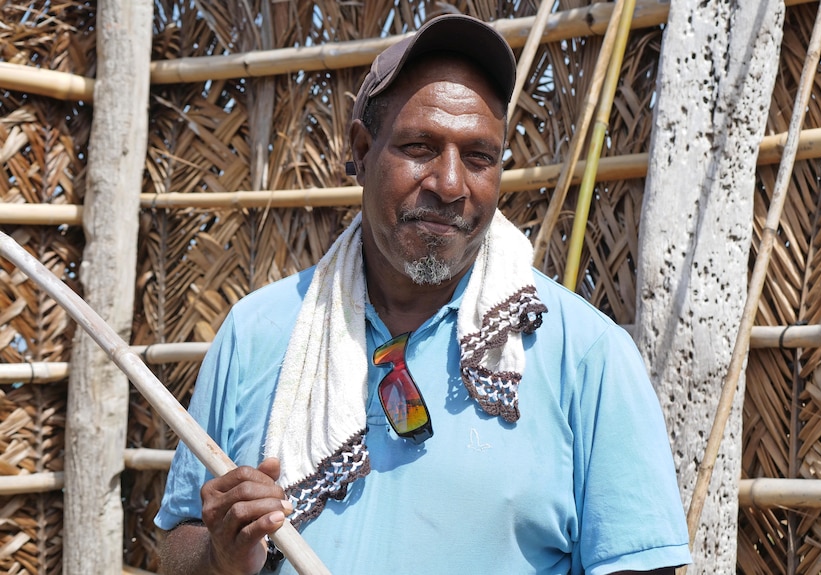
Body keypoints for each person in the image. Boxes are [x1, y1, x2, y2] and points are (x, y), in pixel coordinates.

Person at [155, 14, 692, 575]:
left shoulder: (586, 355)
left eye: (479, 156)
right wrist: (220, 555)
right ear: (361, 150)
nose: (450, 183)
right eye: (419, 146)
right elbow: (179, 545)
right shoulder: (257, 334)